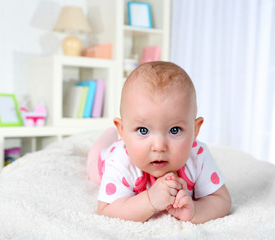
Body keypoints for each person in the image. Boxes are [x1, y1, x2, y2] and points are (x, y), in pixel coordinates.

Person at [86, 61, 231, 224]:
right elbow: (106, 210)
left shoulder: (197, 156)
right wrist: (149, 201)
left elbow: (222, 200)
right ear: (123, 130)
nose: (159, 146)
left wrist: (196, 211)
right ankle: (110, 134)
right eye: (143, 130)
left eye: (175, 130)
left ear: (195, 130)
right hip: (107, 157)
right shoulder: (119, 161)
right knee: (93, 163)